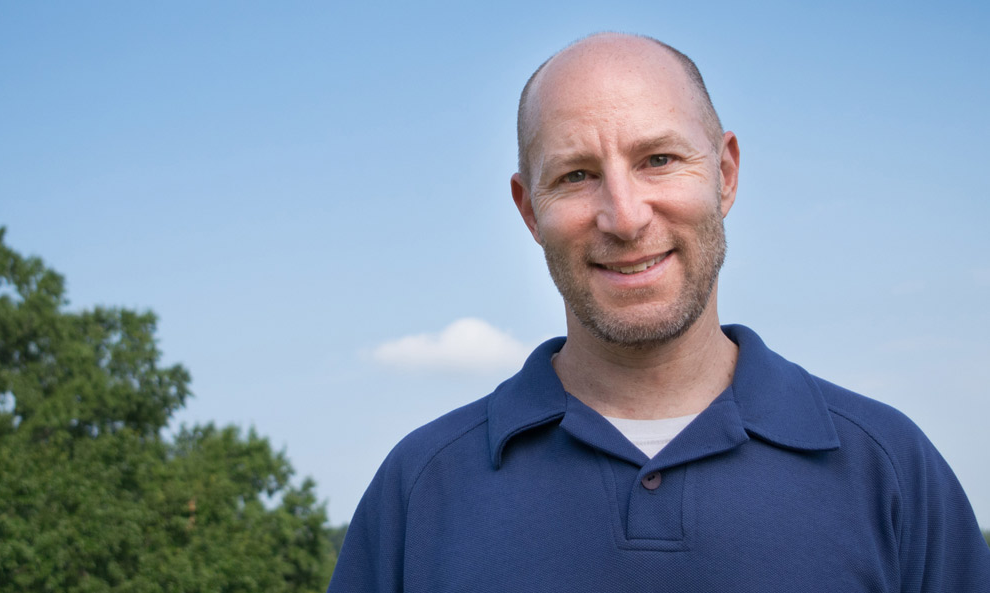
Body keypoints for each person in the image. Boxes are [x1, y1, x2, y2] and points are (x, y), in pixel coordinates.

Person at [327, 33, 990, 592]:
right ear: (529, 209)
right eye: (576, 176)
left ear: (724, 174)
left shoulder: (889, 468)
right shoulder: (420, 488)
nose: (624, 215)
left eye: (659, 159)